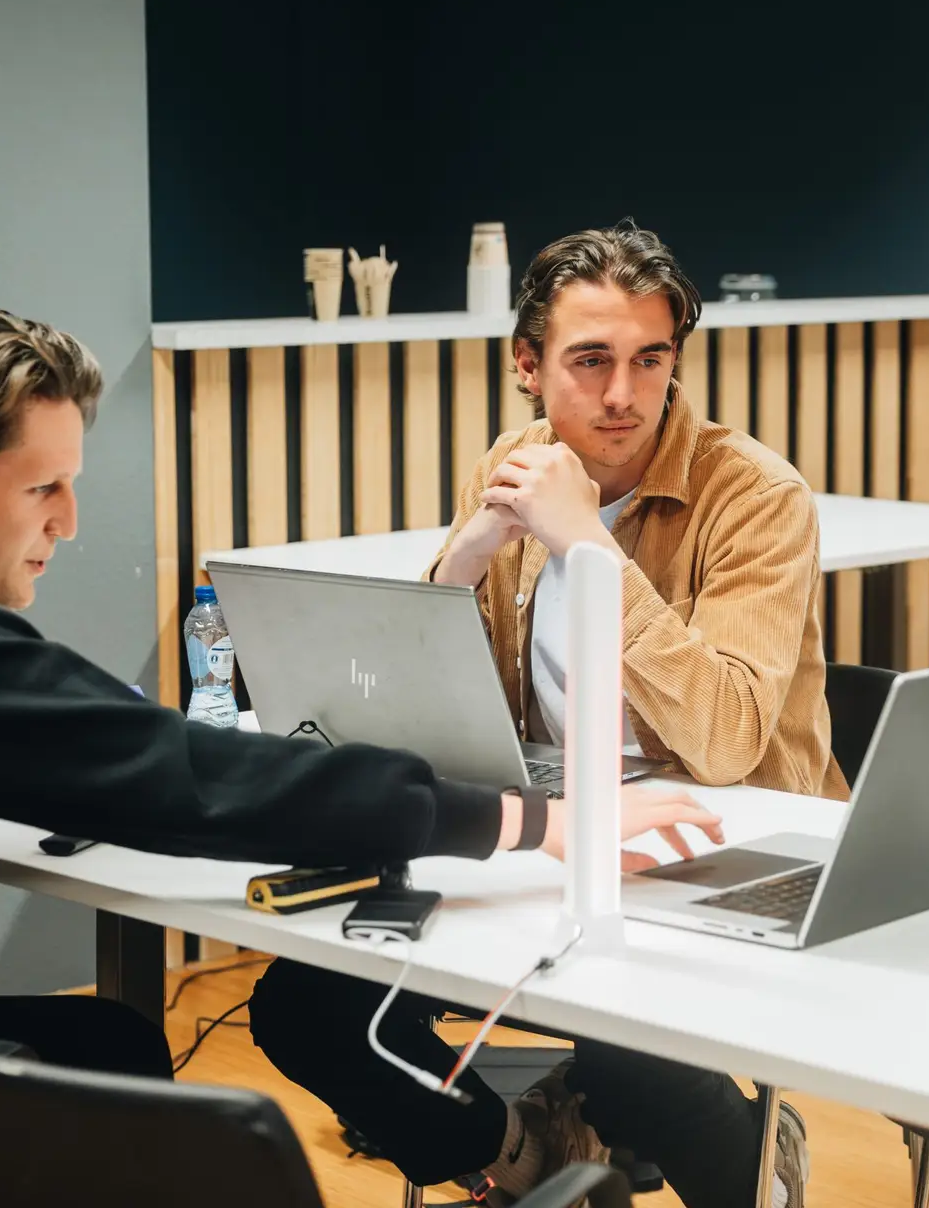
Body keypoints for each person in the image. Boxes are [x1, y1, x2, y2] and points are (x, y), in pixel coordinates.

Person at [0, 305, 722, 1208]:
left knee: (110, 1037)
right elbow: (179, 777)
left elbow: (84, 752)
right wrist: (536, 821)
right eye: (43, 487)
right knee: (140, 1109)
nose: (69, 521)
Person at [251, 224, 839, 1208]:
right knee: (306, 1004)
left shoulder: (753, 495)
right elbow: (431, 695)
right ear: (528, 365)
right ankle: (531, 1162)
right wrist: (469, 553)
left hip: (719, 840)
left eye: (650, 359)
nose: (625, 394)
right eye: (591, 360)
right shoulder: (519, 460)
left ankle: (754, 1170)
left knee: (626, 1045)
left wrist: (586, 549)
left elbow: (729, 739)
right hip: (556, 825)